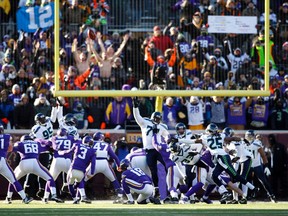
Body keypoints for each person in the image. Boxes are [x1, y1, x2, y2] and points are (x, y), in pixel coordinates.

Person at [198, 123, 256, 202]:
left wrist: (233, 159)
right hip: (225, 160)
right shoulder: (221, 140)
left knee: (236, 176)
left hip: (242, 159)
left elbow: (236, 153)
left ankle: (251, 189)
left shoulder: (228, 140)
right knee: (215, 176)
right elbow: (227, 149)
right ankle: (228, 194)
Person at [5, 134, 63, 204]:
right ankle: (53, 194)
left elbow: (10, 149)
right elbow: (47, 148)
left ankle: (9, 197)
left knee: (13, 180)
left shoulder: (20, 143)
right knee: (50, 178)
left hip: (24, 163)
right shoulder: (36, 143)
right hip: (35, 163)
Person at [132, 97, 170, 199]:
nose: (157, 120)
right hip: (149, 150)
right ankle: (156, 189)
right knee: (152, 170)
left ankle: (169, 189)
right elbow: (137, 117)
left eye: (159, 119)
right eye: (156, 118)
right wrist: (135, 106)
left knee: (167, 167)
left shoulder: (162, 126)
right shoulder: (145, 122)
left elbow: (167, 135)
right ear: (153, 117)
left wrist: (168, 140)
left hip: (159, 149)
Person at [85, 132, 124, 203]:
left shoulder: (91, 143)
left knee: (82, 180)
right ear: (102, 138)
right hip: (104, 163)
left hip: (94, 162)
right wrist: (118, 165)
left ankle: (79, 196)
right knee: (114, 180)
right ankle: (120, 197)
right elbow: (114, 156)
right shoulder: (107, 144)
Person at [0, 125, 33, 204]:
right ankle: (24, 198)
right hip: (1, 160)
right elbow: (10, 149)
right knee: (13, 180)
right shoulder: (7, 137)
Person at [60, 135, 96, 204]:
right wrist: (92, 173)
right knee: (79, 183)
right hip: (82, 172)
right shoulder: (92, 151)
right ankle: (83, 196)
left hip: (73, 169)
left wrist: (61, 152)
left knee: (69, 185)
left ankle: (74, 198)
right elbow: (93, 163)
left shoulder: (77, 145)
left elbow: (68, 152)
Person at [244, 130, 276, 202]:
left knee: (263, 180)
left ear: (253, 137)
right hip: (247, 165)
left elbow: (263, 155)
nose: (249, 137)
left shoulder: (257, 143)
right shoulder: (243, 143)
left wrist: (266, 165)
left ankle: (271, 195)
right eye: (248, 136)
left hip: (256, 165)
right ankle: (246, 196)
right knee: (245, 180)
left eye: (250, 136)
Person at [266, 134, 288, 198]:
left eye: (272, 139)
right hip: (272, 168)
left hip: (281, 168)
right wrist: (267, 166)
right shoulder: (268, 148)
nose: (271, 140)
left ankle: (285, 195)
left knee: (283, 182)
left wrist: (285, 165)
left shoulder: (280, 146)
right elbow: (266, 158)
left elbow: (285, 156)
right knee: (273, 183)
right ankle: (274, 195)